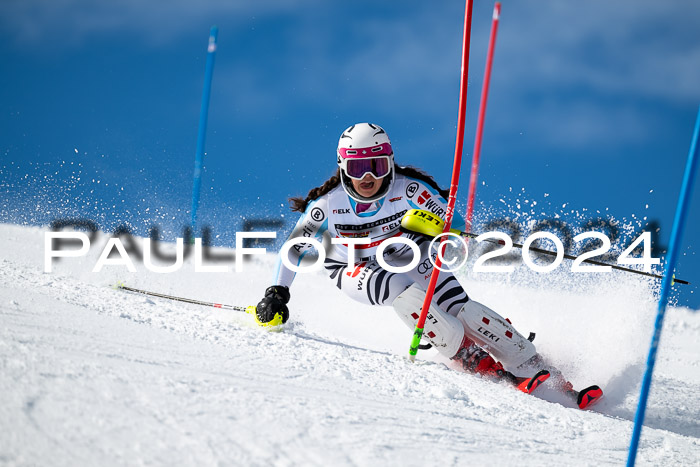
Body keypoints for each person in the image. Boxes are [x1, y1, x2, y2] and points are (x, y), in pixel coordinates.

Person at [254, 123, 587, 397]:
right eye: (357, 168)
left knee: (462, 308)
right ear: (343, 168)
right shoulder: (327, 205)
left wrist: (434, 235)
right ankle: (471, 358)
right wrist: (277, 293)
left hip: (406, 257)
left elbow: (455, 225)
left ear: (390, 163)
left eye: (376, 166)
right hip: (352, 267)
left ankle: (535, 367)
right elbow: (295, 246)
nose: (367, 177)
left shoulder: (410, 189)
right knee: (398, 288)